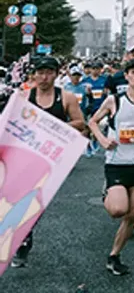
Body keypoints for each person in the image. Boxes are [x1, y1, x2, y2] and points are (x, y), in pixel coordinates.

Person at [9, 55, 85, 268]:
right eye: (40, 72)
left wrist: (54, 129)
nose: (44, 77)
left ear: (56, 74)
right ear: (33, 74)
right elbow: (12, 122)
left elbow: (80, 122)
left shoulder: (66, 97)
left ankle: (26, 231)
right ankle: (24, 237)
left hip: (53, 158)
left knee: (39, 201)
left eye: (49, 72)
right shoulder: (25, 95)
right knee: (22, 198)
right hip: (27, 156)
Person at [88, 57, 134, 276]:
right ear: (127, 76)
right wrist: (102, 140)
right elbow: (92, 121)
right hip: (117, 162)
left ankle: (114, 255)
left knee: (132, 213)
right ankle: (107, 194)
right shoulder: (114, 100)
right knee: (117, 210)